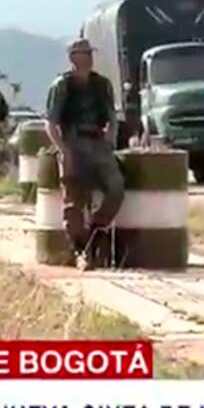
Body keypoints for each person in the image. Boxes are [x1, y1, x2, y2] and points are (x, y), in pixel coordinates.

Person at [44, 38, 125, 270]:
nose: (88, 58)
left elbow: (111, 118)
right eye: (83, 54)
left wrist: (109, 139)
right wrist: (64, 150)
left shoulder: (102, 85)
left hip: (97, 142)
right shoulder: (62, 86)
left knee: (116, 187)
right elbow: (50, 124)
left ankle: (95, 232)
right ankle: (81, 248)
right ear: (72, 58)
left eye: (89, 53)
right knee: (74, 202)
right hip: (72, 141)